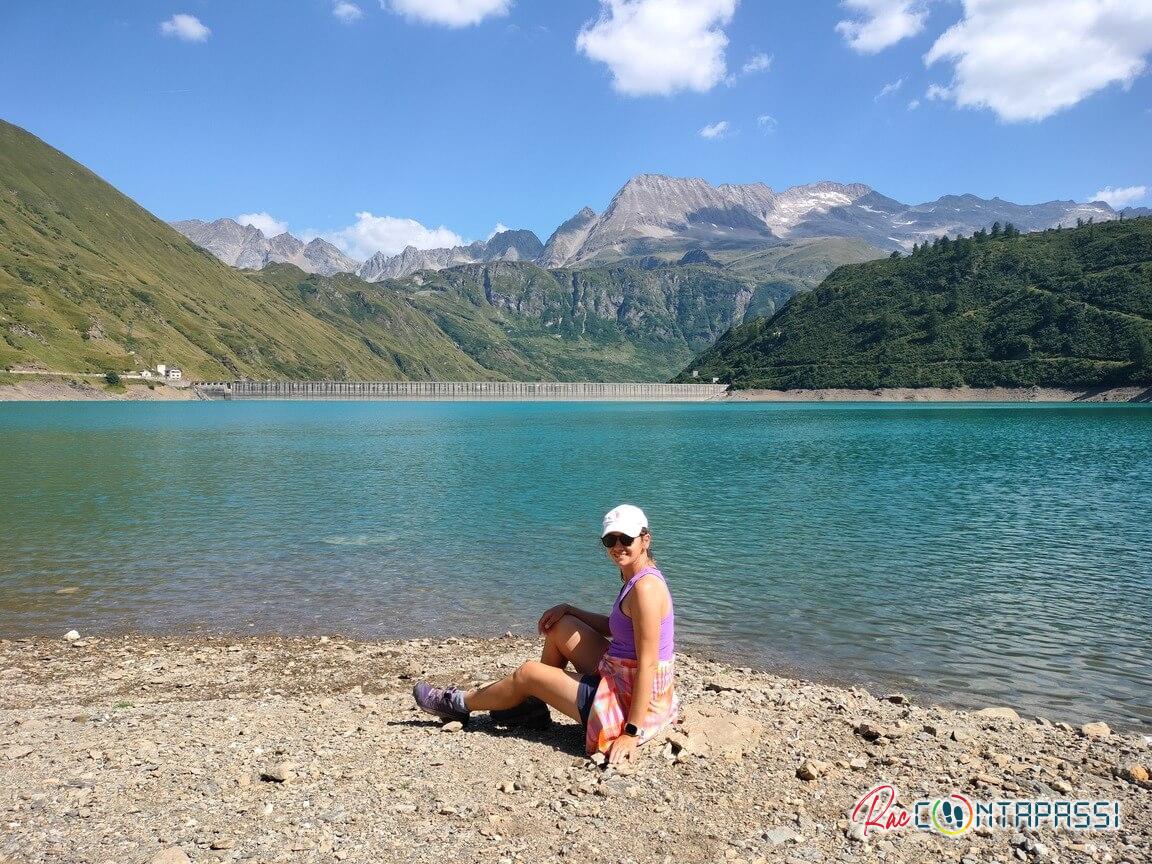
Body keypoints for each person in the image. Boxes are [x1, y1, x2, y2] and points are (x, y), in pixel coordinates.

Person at [412, 504, 678, 764]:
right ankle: (530, 706)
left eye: (626, 538)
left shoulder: (646, 590)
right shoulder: (637, 577)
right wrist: (569, 610)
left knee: (528, 672)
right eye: (610, 539)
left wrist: (631, 733)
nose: (617, 546)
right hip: (621, 672)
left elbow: (649, 663)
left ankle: (458, 703)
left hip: (628, 700)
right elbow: (617, 626)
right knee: (560, 626)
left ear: (645, 539)